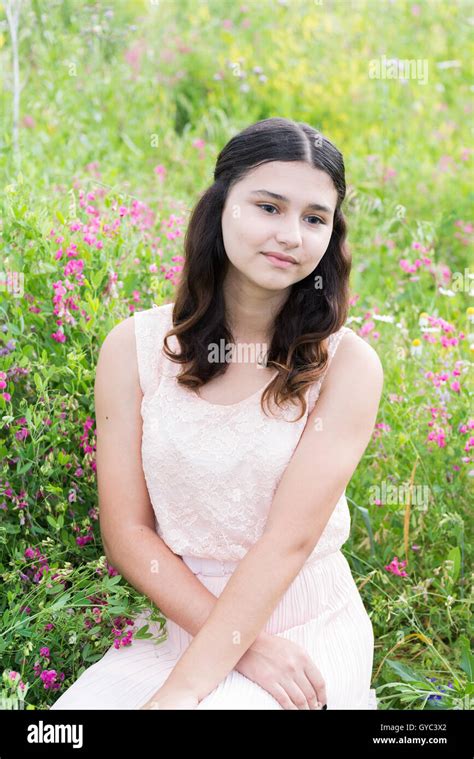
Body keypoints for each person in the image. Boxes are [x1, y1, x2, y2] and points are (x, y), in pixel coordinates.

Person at [50, 116, 383, 711]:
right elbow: (127, 533)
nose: (290, 234)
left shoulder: (348, 365)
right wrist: (240, 646)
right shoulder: (132, 348)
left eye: (315, 219)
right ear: (219, 207)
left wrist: (181, 694)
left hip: (303, 623)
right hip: (176, 620)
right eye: (269, 207)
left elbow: (289, 540)